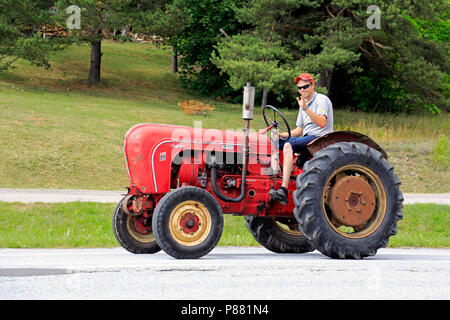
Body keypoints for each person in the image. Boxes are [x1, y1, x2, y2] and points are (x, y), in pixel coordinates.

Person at [269, 73, 333, 204]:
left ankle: (283, 190)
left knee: (287, 145)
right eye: (299, 88)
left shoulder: (322, 100)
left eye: (305, 86)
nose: (302, 90)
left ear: (313, 85)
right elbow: (299, 131)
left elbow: (322, 122)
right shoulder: (304, 103)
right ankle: (274, 177)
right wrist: (280, 135)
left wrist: (305, 109)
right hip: (308, 138)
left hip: (319, 139)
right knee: (274, 141)